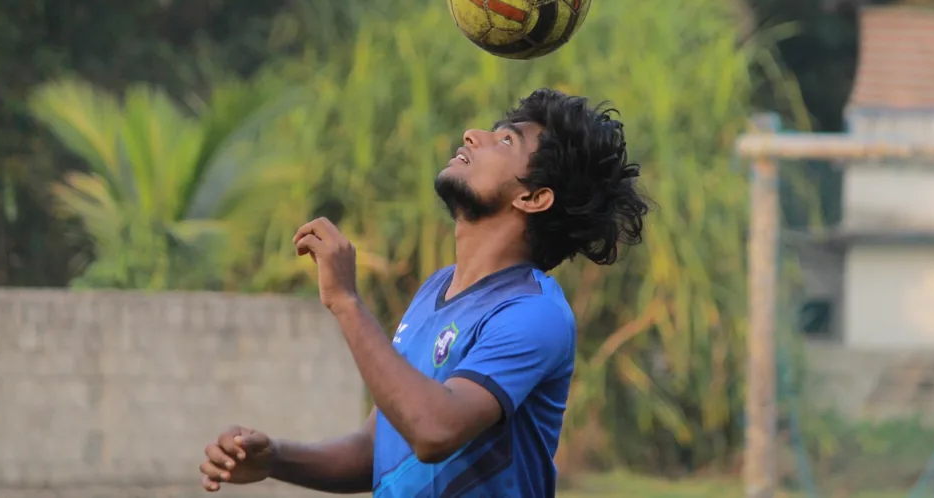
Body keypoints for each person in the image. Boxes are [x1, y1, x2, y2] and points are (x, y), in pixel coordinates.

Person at [198, 88, 650, 497]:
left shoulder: (533, 313)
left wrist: (346, 302)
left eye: (507, 141)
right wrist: (276, 458)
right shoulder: (436, 289)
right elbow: (377, 447)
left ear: (533, 198)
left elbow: (432, 431)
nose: (474, 135)